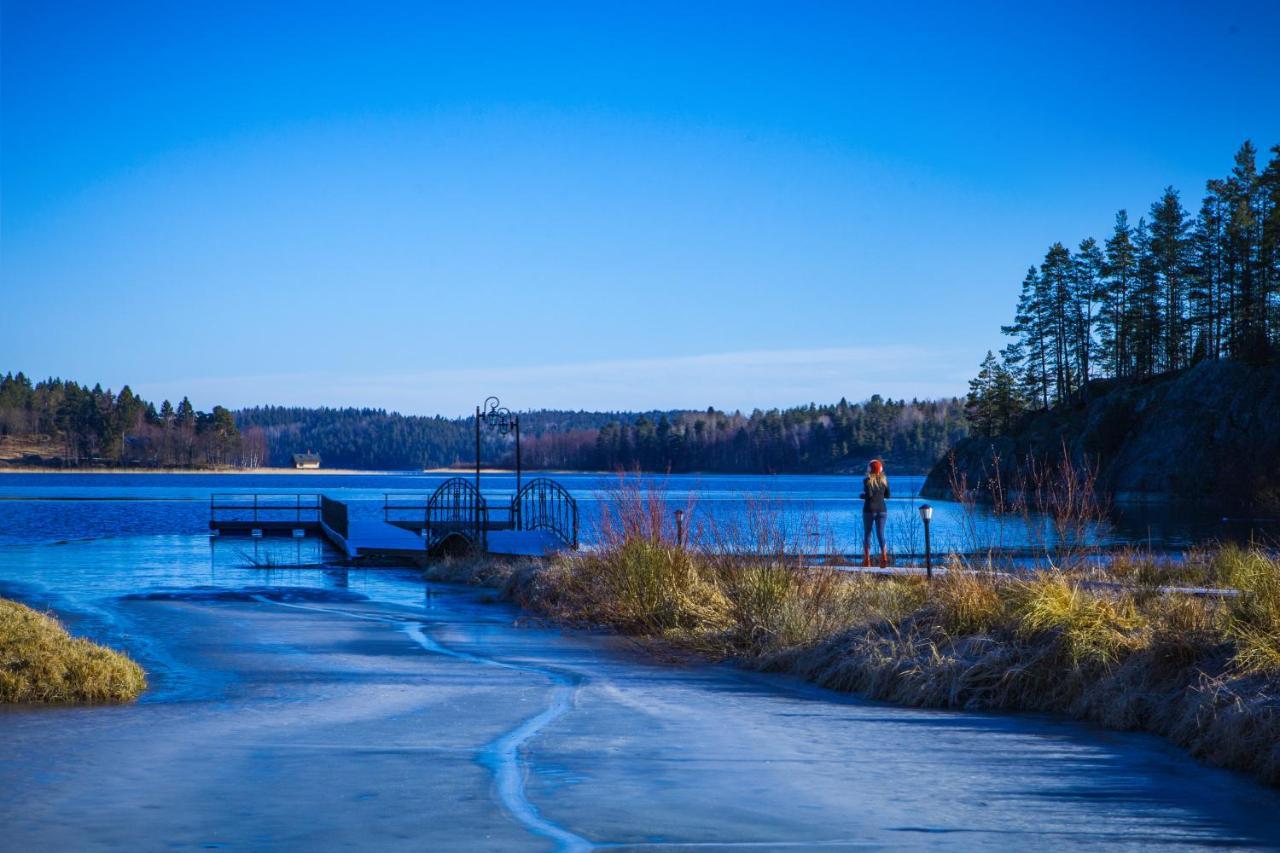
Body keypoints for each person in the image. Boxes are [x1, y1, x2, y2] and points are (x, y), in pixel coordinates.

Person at [860, 459, 890, 568]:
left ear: (869, 469)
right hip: (882, 510)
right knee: (880, 534)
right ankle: (884, 558)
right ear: (881, 469)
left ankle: (867, 560)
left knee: (868, 533)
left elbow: (869, 495)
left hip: (869, 510)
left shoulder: (867, 481)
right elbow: (888, 496)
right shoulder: (884, 481)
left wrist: (862, 496)